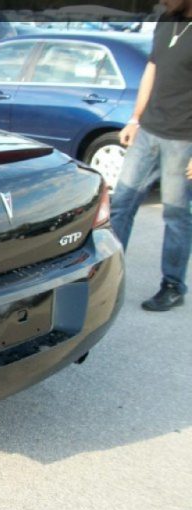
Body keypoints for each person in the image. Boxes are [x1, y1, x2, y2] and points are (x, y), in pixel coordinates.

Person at [109, 0, 192, 311]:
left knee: (175, 214)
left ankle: (173, 285)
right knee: (121, 205)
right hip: (148, 131)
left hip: (184, 139)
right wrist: (134, 118)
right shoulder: (166, 19)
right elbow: (152, 69)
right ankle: (109, 276)